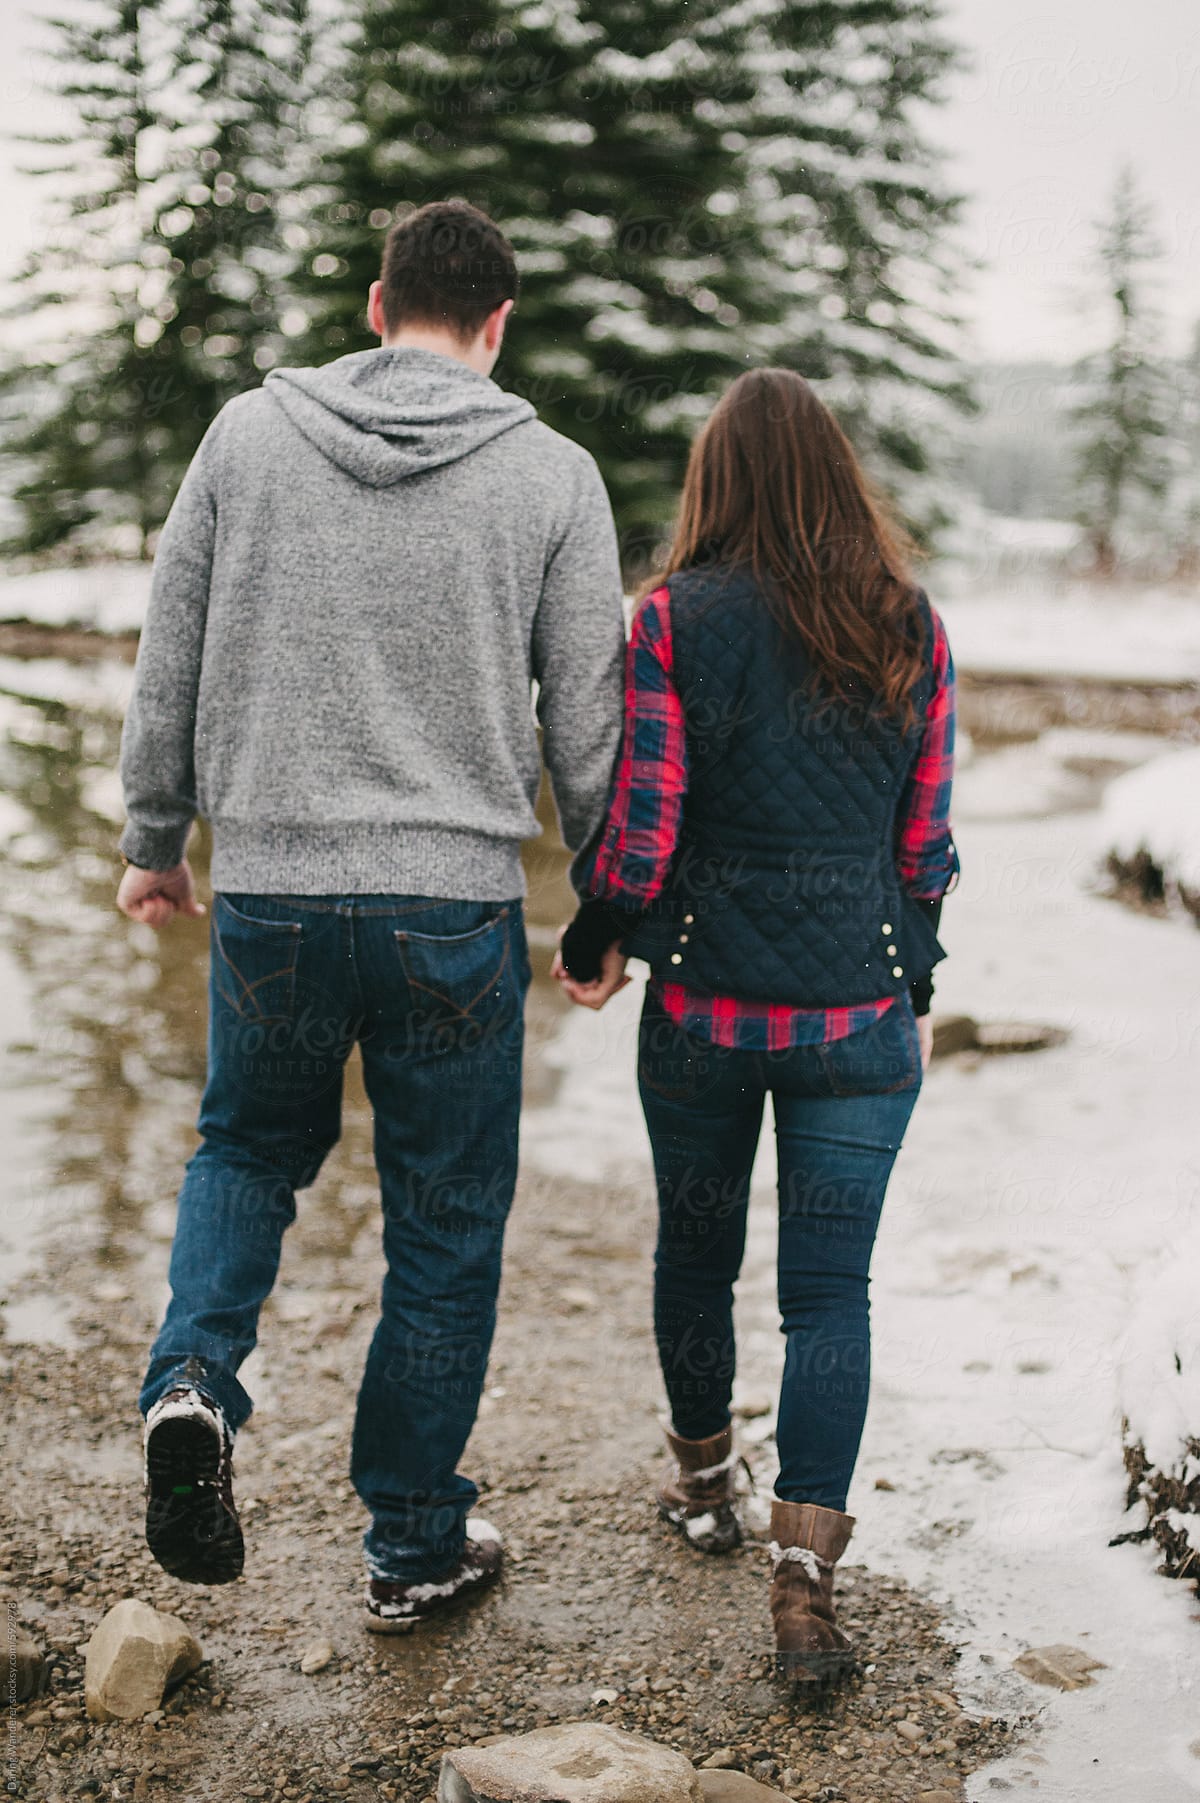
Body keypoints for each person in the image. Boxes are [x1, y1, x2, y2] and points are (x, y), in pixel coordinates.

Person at [116, 199, 626, 1630]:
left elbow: (173, 655)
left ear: (373, 303)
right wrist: (609, 900)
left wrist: (158, 841)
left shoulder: (246, 437)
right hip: (453, 911)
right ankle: (411, 1545)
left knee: (247, 1153)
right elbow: (591, 723)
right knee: (447, 1223)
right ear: (499, 323)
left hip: (270, 889)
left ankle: (194, 1386)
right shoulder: (553, 475)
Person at [554, 367, 959, 1684]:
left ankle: (705, 1485)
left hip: (705, 1014)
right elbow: (926, 845)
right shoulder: (913, 621)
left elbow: (648, 829)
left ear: (714, 482)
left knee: (698, 1248)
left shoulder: (673, 619)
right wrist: (917, 985)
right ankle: (803, 1585)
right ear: (840, 480)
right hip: (858, 1020)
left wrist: (594, 932)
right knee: (831, 1294)